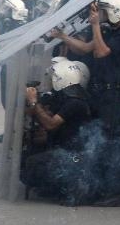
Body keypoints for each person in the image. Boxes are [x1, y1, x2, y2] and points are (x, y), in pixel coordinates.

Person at [50, 0, 120, 205]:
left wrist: (96, 25)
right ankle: (97, 188)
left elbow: (101, 52)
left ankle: (114, 191)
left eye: (106, 11)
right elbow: (86, 48)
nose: (103, 15)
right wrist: (62, 37)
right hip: (103, 94)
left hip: (115, 97)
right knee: (98, 142)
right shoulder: (110, 31)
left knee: (110, 144)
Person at [21, 60, 95, 206]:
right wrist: (32, 102)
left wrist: (35, 102)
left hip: (73, 155)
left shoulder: (75, 103)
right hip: (64, 149)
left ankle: (62, 189)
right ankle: (54, 188)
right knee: (27, 155)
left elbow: (50, 124)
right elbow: (34, 113)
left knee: (31, 164)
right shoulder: (66, 99)